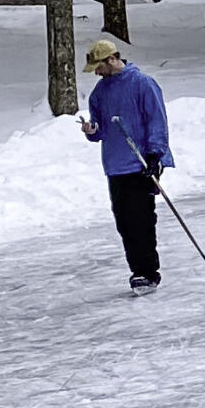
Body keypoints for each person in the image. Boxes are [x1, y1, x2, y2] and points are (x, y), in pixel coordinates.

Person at [79, 35, 171, 295]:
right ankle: (137, 270)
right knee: (125, 223)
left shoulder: (142, 84)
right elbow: (100, 131)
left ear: (112, 59)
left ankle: (148, 272)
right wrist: (91, 130)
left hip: (141, 163)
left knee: (141, 219)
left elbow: (157, 121)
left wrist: (155, 155)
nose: (96, 72)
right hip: (115, 166)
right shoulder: (99, 93)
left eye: (99, 66)